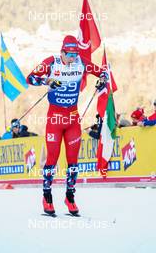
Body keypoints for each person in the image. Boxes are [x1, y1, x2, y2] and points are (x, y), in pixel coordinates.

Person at [27, 35, 104, 216]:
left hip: (72, 119)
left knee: (73, 162)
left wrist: (102, 81)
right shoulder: (51, 63)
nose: (73, 58)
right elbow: (29, 78)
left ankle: (70, 197)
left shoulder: (81, 62)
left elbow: (103, 72)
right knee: (52, 159)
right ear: (61, 52)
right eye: (69, 54)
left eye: (75, 54)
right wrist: (47, 81)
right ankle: (47, 197)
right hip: (55, 119)